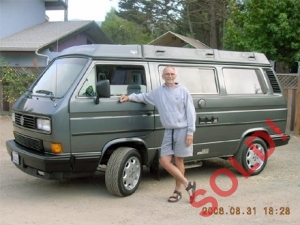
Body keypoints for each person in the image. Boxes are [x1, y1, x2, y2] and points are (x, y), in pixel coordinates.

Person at [119, 66, 196, 203]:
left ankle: (178, 191)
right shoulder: (158, 92)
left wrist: (190, 132)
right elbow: (143, 96)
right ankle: (188, 184)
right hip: (168, 131)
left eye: (172, 74)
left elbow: (191, 113)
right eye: (167, 74)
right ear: (163, 76)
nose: (170, 76)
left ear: (175, 76)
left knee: (179, 161)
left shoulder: (183, 91)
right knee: (164, 161)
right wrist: (129, 97)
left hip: (182, 130)